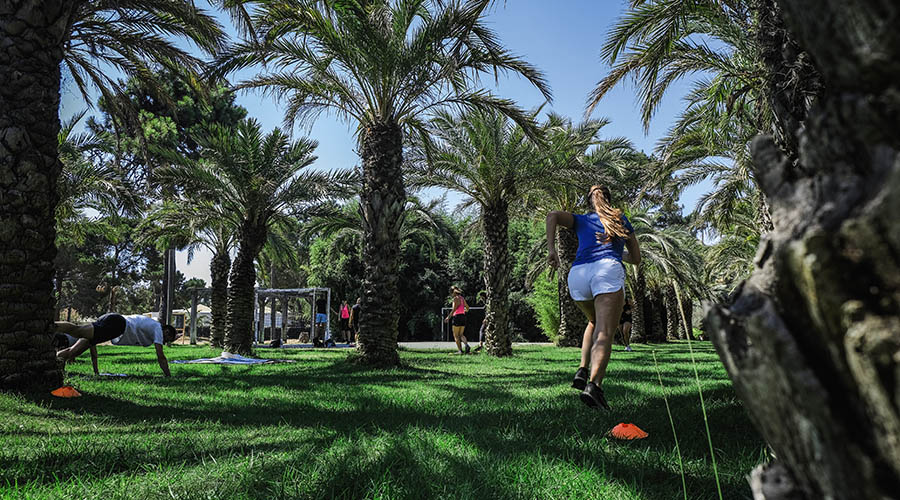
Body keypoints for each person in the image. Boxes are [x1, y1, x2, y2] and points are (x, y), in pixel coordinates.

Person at [546, 184, 641, 410]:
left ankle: (582, 369)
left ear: (589, 201)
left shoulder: (582, 220)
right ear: (609, 198)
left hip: (578, 274)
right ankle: (594, 386)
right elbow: (636, 258)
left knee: (593, 321)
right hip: (606, 270)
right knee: (605, 331)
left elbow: (552, 216)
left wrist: (552, 250)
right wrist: (617, 252)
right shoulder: (620, 219)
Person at [55, 313, 179, 377]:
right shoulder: (158, 328)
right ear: (167, 332)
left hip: (115, 323)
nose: (165, 342)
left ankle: (53, 360)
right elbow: (160, 356)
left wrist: (96, 371)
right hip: (117, 325)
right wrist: (168, 376)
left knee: (74, 352)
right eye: (168, 339)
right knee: (78, 330)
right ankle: (51, 325)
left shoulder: (153, 327)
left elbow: (93, 350)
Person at [444, 286, 471, 354]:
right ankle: (466, 345)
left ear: (453, 293)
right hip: (463, 316)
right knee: (461, 334)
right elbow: (467, 307)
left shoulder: (455, 299)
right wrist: (465, 310)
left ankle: (460, 351)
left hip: (457, 317)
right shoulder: (462, 298)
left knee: (456, 335)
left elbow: (454, 309)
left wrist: (448, 317)